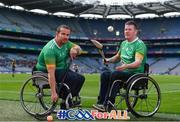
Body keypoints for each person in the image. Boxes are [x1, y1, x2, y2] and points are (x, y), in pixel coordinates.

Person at [92, 20, 147, 111]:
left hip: (134, 74)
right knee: (105, 74)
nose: (126, 31)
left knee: (115, 74)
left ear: (135, 31)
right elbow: (117, 57)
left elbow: (138, 63)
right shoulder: (123, 43)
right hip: (124, 73)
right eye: (125, 29)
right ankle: (101, 102)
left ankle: (109, 103)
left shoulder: (139, 45)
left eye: (129, 29)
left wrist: (125, 66)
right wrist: (108, 60)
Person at [35, 25, 85, 109]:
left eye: (67, 35)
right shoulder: (50, 50)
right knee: (72, 78)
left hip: (62, 69)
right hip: (47, 71)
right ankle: (65, 101)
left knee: (81, 78)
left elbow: (80, 50)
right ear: (57, 34)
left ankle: (68, 98)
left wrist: (75, 49)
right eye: (63, 34)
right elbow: (51, 74)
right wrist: (53, 93)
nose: (66, 37)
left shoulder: (66, 43)